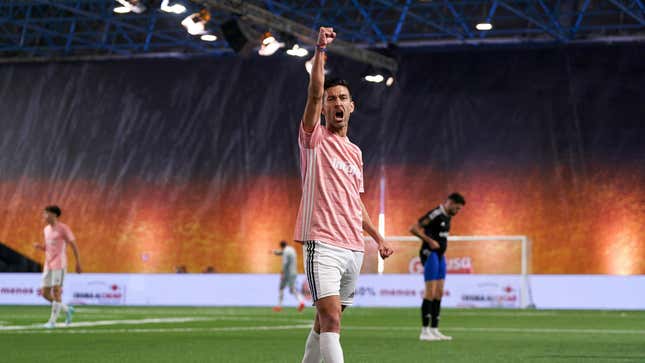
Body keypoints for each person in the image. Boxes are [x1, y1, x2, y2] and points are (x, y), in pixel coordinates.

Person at [294, 27, 394, 363]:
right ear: (322, 108)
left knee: (324, 323)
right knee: (332, 318)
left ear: (352, 106)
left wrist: (377, 236)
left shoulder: (355, 152)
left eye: (342, 99)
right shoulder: (314, 139)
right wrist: (320, 50)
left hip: (354, 247)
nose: (336, 103)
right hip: (322, 243)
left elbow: (355, 202)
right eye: (330, 99)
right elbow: (313, 94)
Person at [409, 193, 466, 341]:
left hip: (440, 256)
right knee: (430, 291)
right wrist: (429, 241)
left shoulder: (448, 216)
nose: (457, 212)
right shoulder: (435, 213)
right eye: (457, 208)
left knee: (439, 292)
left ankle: (434, 330)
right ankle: (424, 331)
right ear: (450, 203)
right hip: (430, 254)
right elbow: (414, 228)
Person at [33, 205, 82, 328]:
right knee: (44, 293)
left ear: (54, 214)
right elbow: (49, 247)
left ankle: (52, 322)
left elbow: (73, 245)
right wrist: (41, 247)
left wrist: (78, 262)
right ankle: (66, 309)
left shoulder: (63, 228)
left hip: (59, 264)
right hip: (48, 264)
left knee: (56, 292)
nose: (44, 216)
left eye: (46, 214)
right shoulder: (46, 229)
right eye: (44, 214)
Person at [271, 240, 305, 312]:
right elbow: (281, 252)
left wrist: (282, 272)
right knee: (292, 289)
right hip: (294, 272)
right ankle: (301, 302)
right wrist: (275, 252)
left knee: (281, 288)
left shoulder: (286, 251)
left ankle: (279, 306)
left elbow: (285, 262)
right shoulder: (291, 249)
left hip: (287, 273)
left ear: (281, 246)